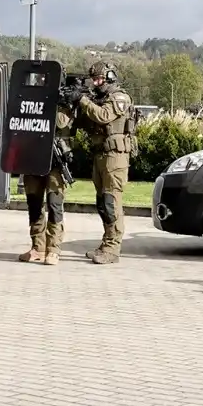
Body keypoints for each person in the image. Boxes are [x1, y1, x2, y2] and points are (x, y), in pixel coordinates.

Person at [75, 61, 136, 265]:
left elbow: (103, 116)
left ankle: (112, 249)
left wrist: (83, 100)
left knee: (111, 202)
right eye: (93, 79)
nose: (96, 83)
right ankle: (106, 243)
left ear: (110, 77)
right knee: (102, 203)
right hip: (101, 155)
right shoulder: (98, 99)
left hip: (115, 157)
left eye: (99, 79)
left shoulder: (119, 97)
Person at [17, 100, 74, 266]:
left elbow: (60, 122)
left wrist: (50, 104)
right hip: (33, 154)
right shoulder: (31, 97)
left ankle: (53, 249)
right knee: (34, 203)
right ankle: (38, 247)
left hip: (55, 159)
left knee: (54, 204)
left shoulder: (65, 100)